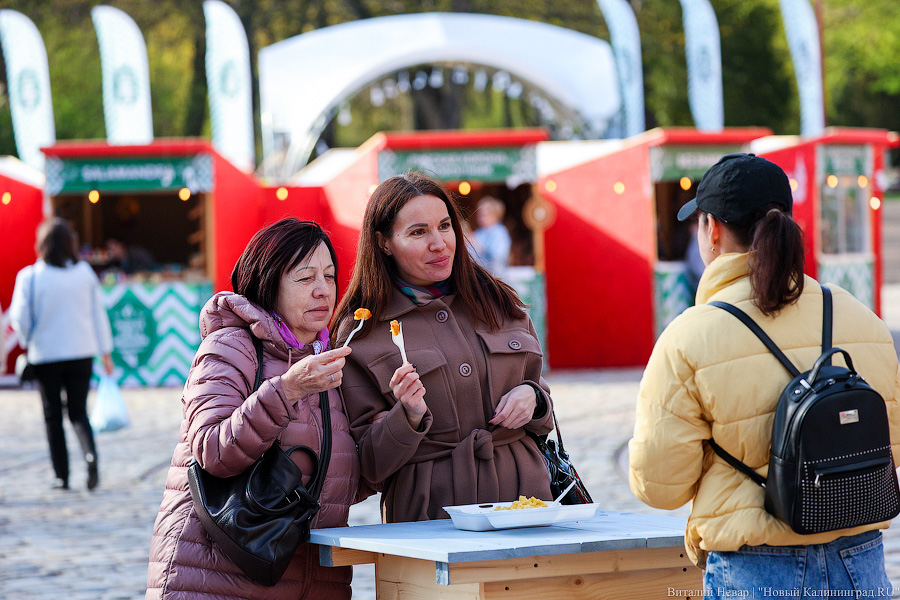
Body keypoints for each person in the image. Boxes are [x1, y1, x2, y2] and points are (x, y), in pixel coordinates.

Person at [628, 154, 900, 596]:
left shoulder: (690, 336)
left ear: (712, 229)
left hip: (755, 570)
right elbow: (892, 445)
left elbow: (660, 486)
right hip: (862, 562)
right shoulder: (857, 316)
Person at [146, 218, 362, 600]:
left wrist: (408, 418)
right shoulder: (231, 347)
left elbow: (343, 485)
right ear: (268, 282)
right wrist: (287, 389)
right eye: (305, 278)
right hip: (217, 580)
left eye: (329, 277)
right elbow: (213, 450)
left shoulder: (330, 361)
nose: (322, 290)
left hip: (310, 582)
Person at [333, 172, 553, 523]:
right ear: (384, 242)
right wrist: (408, 416)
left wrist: (534, 398)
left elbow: (543, 410)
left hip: (526, 506)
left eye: (445, 226)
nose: (439, 243)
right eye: (418, 232)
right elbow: (367, 466)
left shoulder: (498, 302)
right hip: (430, 517)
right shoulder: (362, 332)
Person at [9, 218, 114, 491]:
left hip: (46, 354)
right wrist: (106, 352)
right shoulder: (85, 274)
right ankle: (90, 456)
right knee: (79, 412)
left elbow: (19, 317)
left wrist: (27, 339)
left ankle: (61, 475)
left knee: (52, 415)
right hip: (81, 352)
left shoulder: (30, 276)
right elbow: (98, 315)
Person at [470, 195, 512, 278]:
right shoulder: (479, 232)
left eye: (484, 215)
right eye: (479, 214)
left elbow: (498, 257)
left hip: (495, 278)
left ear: (494, 215)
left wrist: (477, 244)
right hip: (478, 278)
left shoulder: (500, 232)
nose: (480, 218)